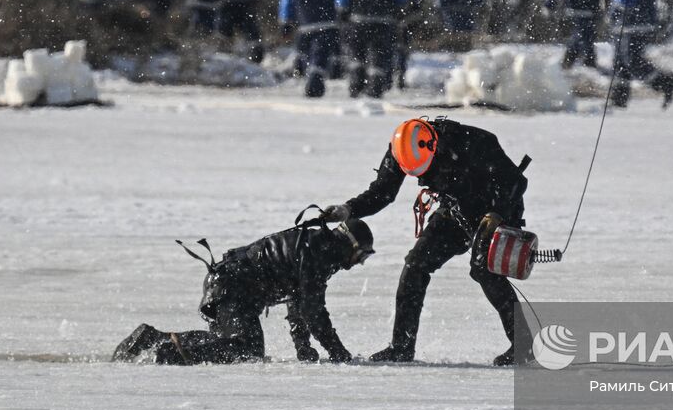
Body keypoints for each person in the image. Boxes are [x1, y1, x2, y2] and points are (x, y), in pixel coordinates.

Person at [320, 118, 533, 365]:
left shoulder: (473, 141)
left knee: (484, 271)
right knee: (415, 265)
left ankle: (523, 345)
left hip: (497, 205)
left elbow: (516, 182)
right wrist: (348, 209)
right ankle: (401, 348)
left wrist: (496, 216)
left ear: (433, 145)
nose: (424, 176)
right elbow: (383, 192)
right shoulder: (401, 151)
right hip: (456, 208)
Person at [112, 215, 374, 365]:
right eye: (361, 256)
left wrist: (303, 348)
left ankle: (155, 339)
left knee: (233, 345)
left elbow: (300, 301)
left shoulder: (317, 246)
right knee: (245, 350)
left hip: (230, 287)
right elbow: (312, 309)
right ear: (350, 245)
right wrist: (339, 353)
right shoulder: (319, 253)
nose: (358, 264)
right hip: (231, 289)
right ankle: (165, 351)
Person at [606, 0, 673, 108]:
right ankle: (619, 99)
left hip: (632, 25)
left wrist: (612, 11)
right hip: (632, 25)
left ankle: (665, 84)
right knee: (620, 63)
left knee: (632, 61)